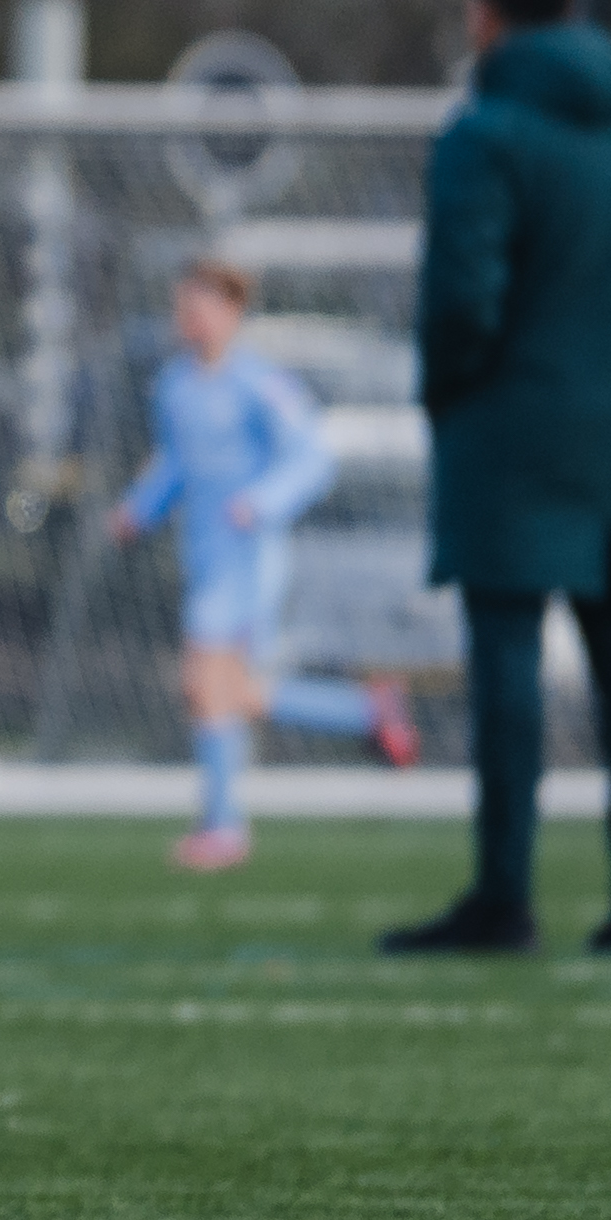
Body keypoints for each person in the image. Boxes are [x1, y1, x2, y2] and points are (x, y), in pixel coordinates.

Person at [387, 0, 611, 958]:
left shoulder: (484, 133)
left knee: (509, 660)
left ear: (485, 9)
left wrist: (447, 392)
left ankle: (505, 894)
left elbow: (460, 300)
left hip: (507, 432)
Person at [114, 256, 416, 870]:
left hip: (249, 561)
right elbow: (175, 463)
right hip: (203, 557)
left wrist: (262, 501)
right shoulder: (174, 384)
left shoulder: (260, 383)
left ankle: (223, 828)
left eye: (199, 305)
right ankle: (365, 711)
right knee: (233, 692)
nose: (188, 318)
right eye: (182, 306)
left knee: (207, 686)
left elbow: (312, 460)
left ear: (230, 312)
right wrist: (138, 511)